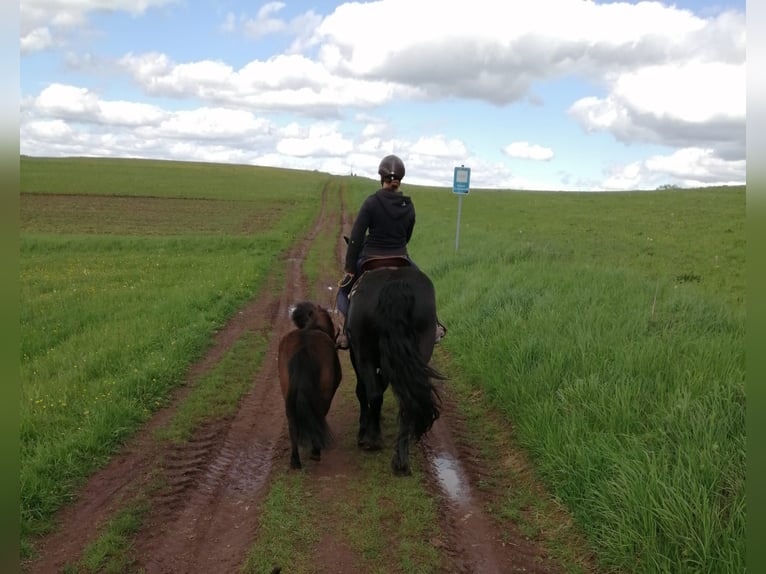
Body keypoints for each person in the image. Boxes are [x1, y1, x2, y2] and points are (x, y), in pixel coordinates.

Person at [335, 154, 447, 349]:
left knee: (343, 292)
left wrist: (350, 268)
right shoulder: (408, 205)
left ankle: (345, 332)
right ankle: (435, 326)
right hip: (401, 257)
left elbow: (356, 238)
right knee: (425, 285)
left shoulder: (371, 202)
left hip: (371, 258)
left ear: (381, 178)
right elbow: (407, 236)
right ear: (400, 179)